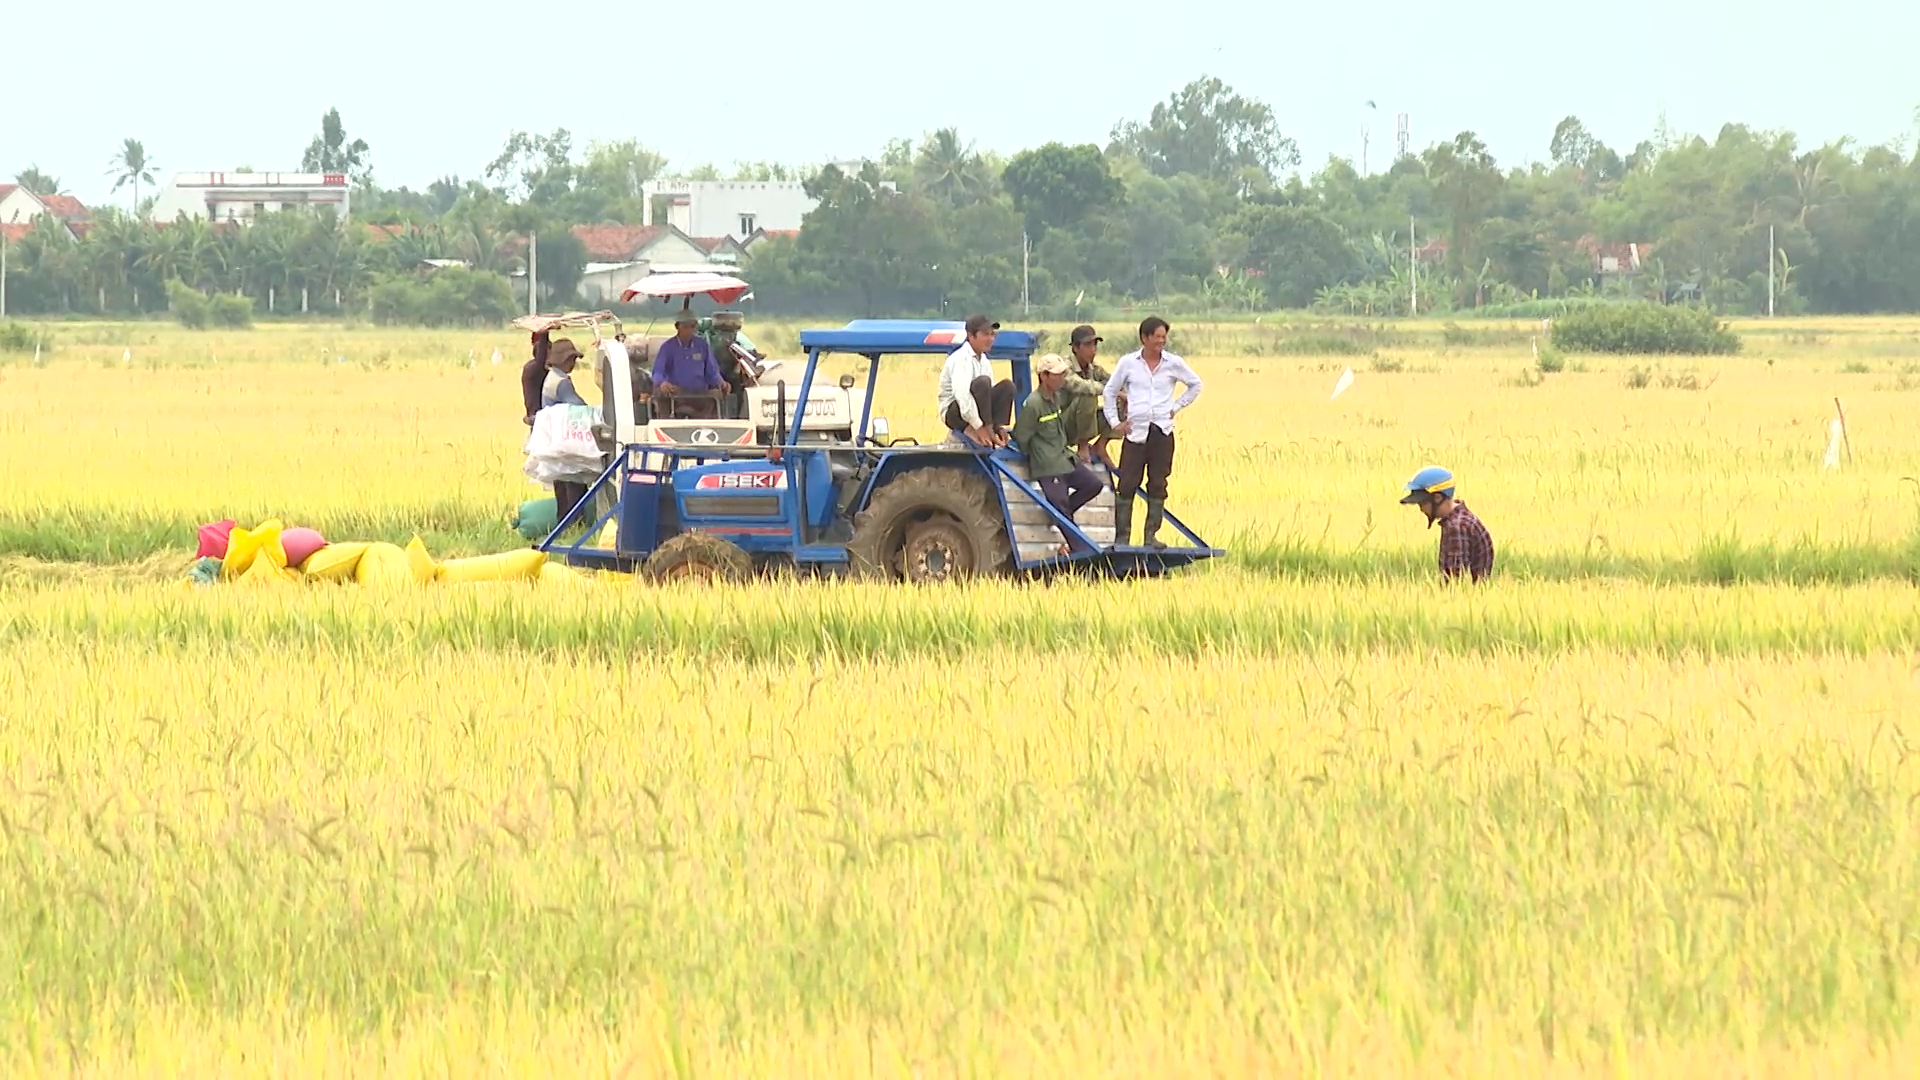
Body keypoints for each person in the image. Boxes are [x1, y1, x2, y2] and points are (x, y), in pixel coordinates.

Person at [1102, 316, 1203, 548]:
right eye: (1157, 336)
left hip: (1162, 431)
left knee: (1158, 483)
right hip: (1135, 432)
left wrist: (1175, 407)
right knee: (1127, 483)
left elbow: (1196, 384)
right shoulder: (1128, 363)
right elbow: (1110, 391)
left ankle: (1151, 537)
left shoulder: (1173, 363)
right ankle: (1122, 538)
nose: (1161, 341)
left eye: (1163, 337)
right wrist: (1116, 422)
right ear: (1144, 338)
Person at [1013, 354, 1105, 555]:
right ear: (1044, 376)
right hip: (1049, 466)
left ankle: (1060, 516)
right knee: (1060, 505)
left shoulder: (1056, 398)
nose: (1062, 378)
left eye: (1063, 374)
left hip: (1065, 459)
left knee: (1093, 485)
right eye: (1057, 375)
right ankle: (1081, 549)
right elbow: (1022, 436)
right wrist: (1037, 456)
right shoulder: (1034, 403)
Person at [1400, 466, 1494, 582]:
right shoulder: (1460, 519)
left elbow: (1456, 581)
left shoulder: (1457, 528)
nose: (1421, 509)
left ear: (1437, 498)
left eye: (1422, 503)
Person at [937, 314, 1015, 448]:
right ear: (971, 336)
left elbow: (987, 396)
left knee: (1008, 386)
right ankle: (984, 429)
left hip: (976, 409)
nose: (990, 339)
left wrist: (994, 426)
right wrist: (979, 427)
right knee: (982, 383)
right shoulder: (961, 359)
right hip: (955, 413)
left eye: (992, 335)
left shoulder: (984, 360)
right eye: (985, 334)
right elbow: (962, 396)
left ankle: (996, 427)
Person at [1060, 324, 1120, 469]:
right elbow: (1080, 385)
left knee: (1122, 401)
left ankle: (1101, 445)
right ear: (1075, 347)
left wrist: (1122, 393)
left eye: (1094, 345)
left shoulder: (1094, 367)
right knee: (1087, 395)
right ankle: (1083, 445)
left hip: (1082, 422)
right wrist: (1112, 391)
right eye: (1088, 345)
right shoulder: (1063, 366)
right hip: (1060, 426)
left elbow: (1114, 382)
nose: (1093, 350)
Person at [651, 312, 730, 417]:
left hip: (700, 394)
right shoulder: (667, 347)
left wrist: (721, 382)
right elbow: (657, 372)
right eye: (685, 327)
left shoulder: (702, 346)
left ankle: (707, 424)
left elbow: (712, 373)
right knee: (660, 393)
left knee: (717, 394)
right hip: (677, 393)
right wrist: (662, 383)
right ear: (677, 327)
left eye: (692, 326)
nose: (689, 330)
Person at [541, 338, 589, 409]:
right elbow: (579, 406)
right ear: (562, 360)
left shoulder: (552, 375)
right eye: (570, 359)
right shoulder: (561, 381)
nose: (573, 363)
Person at [520, 330, 551, 426]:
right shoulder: (534, 368)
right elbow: (541, 358)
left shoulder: (532, 367)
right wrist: (544, 332)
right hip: (538, 417)